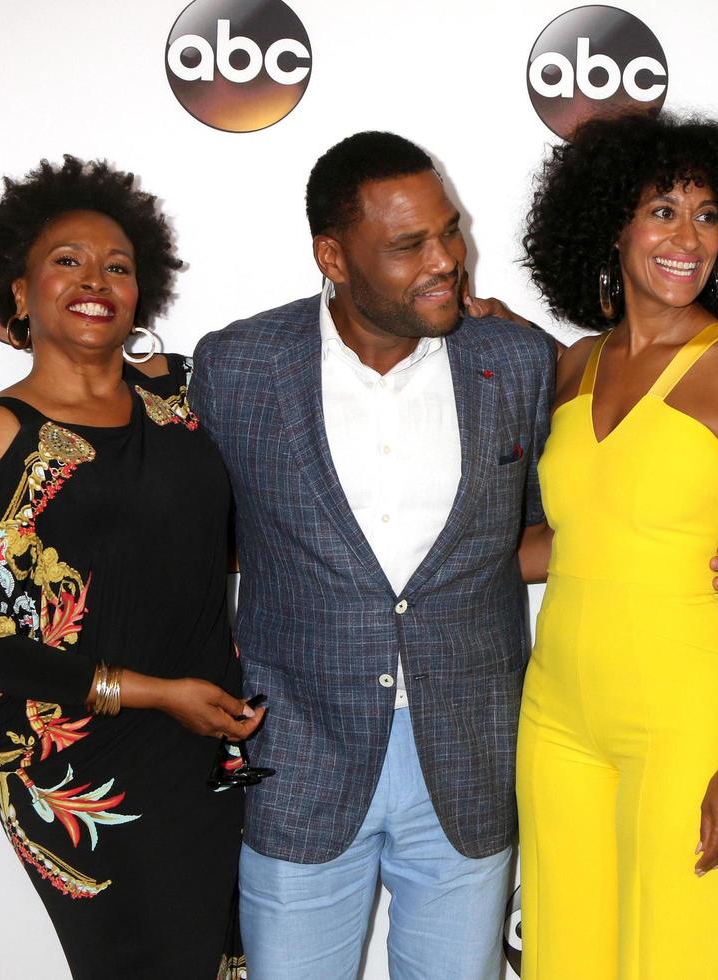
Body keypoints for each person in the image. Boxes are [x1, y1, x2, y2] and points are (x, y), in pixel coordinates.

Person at [188, 132, 555, 980]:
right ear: (333, 255)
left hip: (469, 752)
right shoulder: (238, 366)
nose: (447, 261)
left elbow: (544, 531)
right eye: (409, 245)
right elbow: (197, 537)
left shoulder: (517, 360)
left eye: (451, 231)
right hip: (301, 753)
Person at [0, 156, 264, 979]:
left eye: (119, 265)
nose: (96, 280)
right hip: (83, 772)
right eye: (66, 261)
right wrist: (152, 694)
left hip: (209, 747)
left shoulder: (180, 400)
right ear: (17, 292)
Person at [515, 113, 718, 979]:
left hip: (690, 722)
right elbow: (568, 540)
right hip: (557, 713)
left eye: (709, 214)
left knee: (682, 960)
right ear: (612, 222)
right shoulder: (572, 366)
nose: (689, 238)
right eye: (664, 211)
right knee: (565, 959)